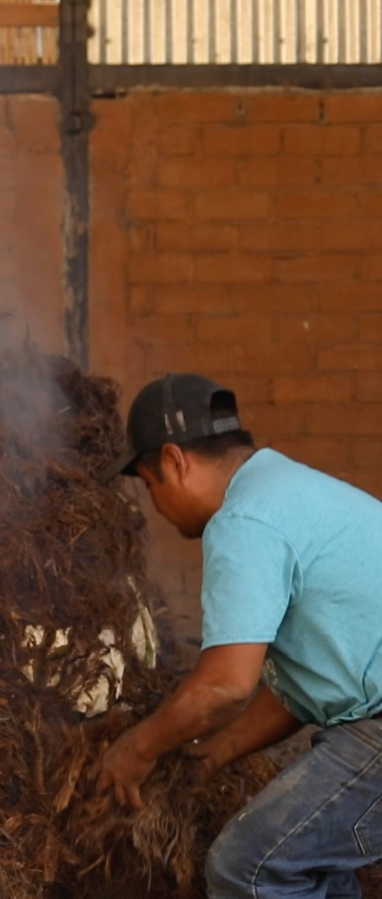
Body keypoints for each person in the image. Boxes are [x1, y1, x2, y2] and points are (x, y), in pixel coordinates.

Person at [94, 373, 382, 898]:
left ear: (176, 461)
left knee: (247, 867)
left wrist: (137, 748)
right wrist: (212, 753)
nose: (155, 505)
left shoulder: (244, 521)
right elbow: (303, 689)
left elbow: (225, 685)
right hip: (368, 721)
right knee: (311, 867)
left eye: (149, 482)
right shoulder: (284, 490)